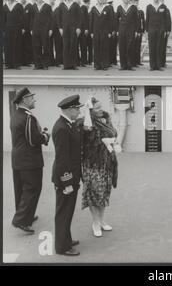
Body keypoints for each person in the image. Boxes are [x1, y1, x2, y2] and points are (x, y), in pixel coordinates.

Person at [10, 88, 50, 234]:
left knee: (21, 189)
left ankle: (25, 215)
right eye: (32, 98)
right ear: (25, 100)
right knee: (32, 189)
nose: (34, 100)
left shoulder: (16, 115)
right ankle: (21, 220)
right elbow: (34, 140)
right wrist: (46, 136)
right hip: (29, 160)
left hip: (18, 159)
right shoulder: (28, 117)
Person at [81, 97, 119, 237]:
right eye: (97, 108)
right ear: (90, 110)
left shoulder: (106, 118)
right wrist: (102, 141)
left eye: (101, 107)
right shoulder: (85, 122)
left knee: (104, 193)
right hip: (92, 164)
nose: (101, 110)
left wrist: (111, 141)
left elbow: (114, 132)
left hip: (107, 162)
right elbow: (88, 135)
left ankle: (102, 221)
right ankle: (95, 222)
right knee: (93, 194)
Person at [52, 94, 84, 256]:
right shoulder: (61, 128)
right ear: (70, 109)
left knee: (68, 211)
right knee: (63, 212)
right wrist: (67, 182)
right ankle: (62, 247)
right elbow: (62, 158)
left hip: (72, 176)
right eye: (77, 109)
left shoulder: (68, 125)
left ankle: (66, 238)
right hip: (66, 178)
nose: (78, 111)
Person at [58, 0, 82, 70]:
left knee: (73, 45)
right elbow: (59, 17)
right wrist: (60, 28)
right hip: (65, 28)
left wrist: (78, 27)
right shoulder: (61, 5)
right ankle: (66, 65)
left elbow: (80, 17)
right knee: (65, 46)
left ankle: (73, 65)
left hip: (73, 28)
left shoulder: (75, 5)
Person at [89, 0, 113, 70]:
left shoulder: (107, 8)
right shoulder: (93, 8)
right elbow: (91, 21)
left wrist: (110, 32)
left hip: (105, 32)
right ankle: (97, 65)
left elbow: (110, 21)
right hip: (96, 31)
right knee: (96, 48)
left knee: (104, 48)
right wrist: (91, 32)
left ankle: (104, 65)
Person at [30, 0, 53, 70]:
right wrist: (31, 29)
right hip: (35, 29)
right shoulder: (33, 7)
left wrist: (50, 29)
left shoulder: (47, 6)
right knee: (36, 47)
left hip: (45, 29)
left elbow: (51, 19)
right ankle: (37, 64)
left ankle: (45, 64)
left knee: (46, 46)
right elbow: (31, 19)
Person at [116, 0, 138, 71]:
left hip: (131, 30)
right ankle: (123, 65)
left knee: (130, 47)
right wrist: (117, 30)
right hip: (122, 30)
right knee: (122, 47)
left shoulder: (133, 7)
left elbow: (136, 20)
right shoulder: (119, 7)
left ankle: (129, 65)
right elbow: (116, 20)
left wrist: (136, 30)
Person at [146, 0, 167, 71]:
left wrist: (164, 30)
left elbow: (165, 19)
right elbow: (147, 19)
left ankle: (158, 66)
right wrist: (146, 30)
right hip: (151, 30)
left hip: (160, 30)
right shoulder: (149, 6)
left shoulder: (163, 6)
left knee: (159, 47)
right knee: (152, 47)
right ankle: (152, 66)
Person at [4, 0, 23, 70]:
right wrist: (3, 29)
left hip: (16, 29)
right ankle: (8, 64)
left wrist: (22, 28)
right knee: (8, 46)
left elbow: (22, 18)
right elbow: (3, 19)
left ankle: (16, 64)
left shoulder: (18, 5)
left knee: (16, 46)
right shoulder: (5, 6)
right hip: (7, 29)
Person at [19, 0, 34, 66]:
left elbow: (31, 19)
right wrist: (21, 28)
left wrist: (28, 28)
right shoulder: (18, 6)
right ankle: (21, 61)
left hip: (28, 30)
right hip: (20, 30)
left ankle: (28, 61)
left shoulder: (30, 6)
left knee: (28, 45)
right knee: (20, 45)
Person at [159, 0, 171, 68]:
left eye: (162, 0)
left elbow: (168, 21)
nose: (161, 2)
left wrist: (168, 30)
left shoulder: (166, 9)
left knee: (163, 47)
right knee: (159, 47)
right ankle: (159, 62)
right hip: (158, 31)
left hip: (164, 31)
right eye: (160, 0)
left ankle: (163, 62)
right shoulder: (156, 9)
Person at [82, 0, 93, 65]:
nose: (87, 5)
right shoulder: (83, 10)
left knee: (90, 47)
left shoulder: (91, 11)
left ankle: (90, 60)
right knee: (84, 46)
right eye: (86, 4)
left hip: (90, 31)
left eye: (88, 4)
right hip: (85, 32)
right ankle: (84, 60)